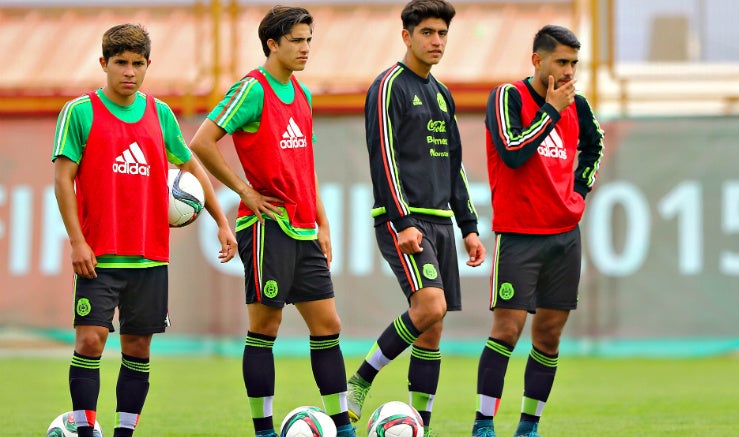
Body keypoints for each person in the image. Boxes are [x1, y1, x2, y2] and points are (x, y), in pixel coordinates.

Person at [52, 23, 237, 437]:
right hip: (98, 255)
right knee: (90, 343)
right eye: (120, 63)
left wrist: (221, 221)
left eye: (138, 63)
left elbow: (191, 167)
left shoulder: (160, 114)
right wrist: (77, 242)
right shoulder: (80, 112)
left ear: (148, 65)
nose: (129, 72)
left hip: (150, 256)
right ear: (104, 64)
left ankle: (123, 433)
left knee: (137, 348)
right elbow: (64, 179)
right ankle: (85, 431)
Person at [187, 6, 356, 437]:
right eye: (297, 40)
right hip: (267, 228)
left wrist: (323, 223)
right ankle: (263, 429)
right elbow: (202, 142)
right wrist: (243, 192)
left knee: (329, 326)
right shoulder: (252, 90)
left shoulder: (302, 94)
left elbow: (305, 166)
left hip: (303, 229)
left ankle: (343, 426)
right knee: (266, 327)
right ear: (272, 44)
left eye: (309, 40)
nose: (305, 49)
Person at [345, 1, 486, 434]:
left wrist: (469, 226)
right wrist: (402, 219)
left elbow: (455, 165)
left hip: (442, 221)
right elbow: (382, 155)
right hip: (404, 218)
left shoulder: (442, 94)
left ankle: (419, 424)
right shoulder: (388, 86)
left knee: (432, 329)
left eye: (442, 33)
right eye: (427, 32)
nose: (437, 41)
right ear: (406, 36)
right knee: (431, 306)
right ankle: (360, 381)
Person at [471, 25, 605, 437]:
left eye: (573, 64)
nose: (568, 72)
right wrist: (549, 110)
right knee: (507, 331)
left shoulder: (577, 106)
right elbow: (512, 152)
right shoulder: (507, 97)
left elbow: (594, 146)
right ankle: (484, 424)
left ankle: (528, 426)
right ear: (537, 60)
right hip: (519, 235)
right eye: (561, 62)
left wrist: (578, 193)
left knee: (548, 335)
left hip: (564, 236)